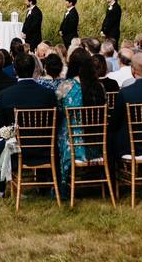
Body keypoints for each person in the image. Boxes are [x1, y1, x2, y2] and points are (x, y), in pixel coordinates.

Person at [0, 53, 57, 197]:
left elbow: (0, 127)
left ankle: (0, 190)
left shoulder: (6, 94)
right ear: (35, 68)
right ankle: (44, 187)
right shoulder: (48, 94)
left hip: (18, 148)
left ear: (15, 70)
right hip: (45, 147)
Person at [57, 48, 106, 196]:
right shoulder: (99, 87)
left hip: (71, 142)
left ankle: (62, 183)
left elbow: (58, 110)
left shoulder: (65, 87)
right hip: (96, 141)